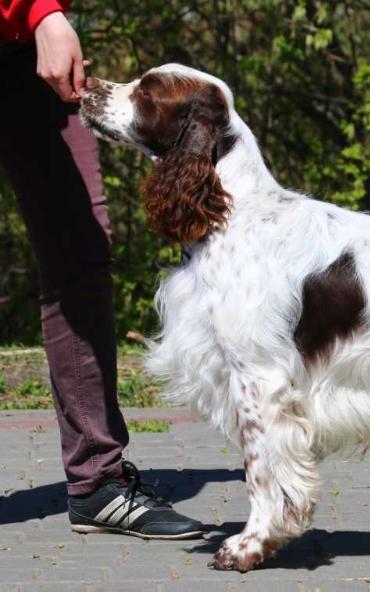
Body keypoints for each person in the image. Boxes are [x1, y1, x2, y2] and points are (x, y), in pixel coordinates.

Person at [0, 1, 204, 539]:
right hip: (31, 22)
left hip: (23, 51)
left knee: (79, 252)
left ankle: (97, 482)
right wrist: (42, 11)